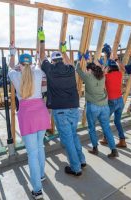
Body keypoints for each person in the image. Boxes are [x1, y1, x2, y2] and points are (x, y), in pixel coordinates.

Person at [38, 28, 86, 178]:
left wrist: (42, 40)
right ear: (62, 59)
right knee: (74, 135)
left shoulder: (49, 69)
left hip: (60, 110)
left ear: (53, 60)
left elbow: (41, 56)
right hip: (73, 108)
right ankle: (82, 160)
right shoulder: (71, 69)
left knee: (67, 139)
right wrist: (64, 50)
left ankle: (76, 167)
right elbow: (69, 62)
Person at [8, 53, 51, 200]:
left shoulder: (14, 75)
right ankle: (41, 175)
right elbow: (38, 66)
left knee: (32, 153)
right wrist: (38, 58)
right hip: (41, 112)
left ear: (20, 65)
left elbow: (10, 66)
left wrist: (12, 53)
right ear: (31, 63)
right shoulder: (38, 72)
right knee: (40, 147)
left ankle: (37, 190)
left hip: (27, 116)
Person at [76, 52, 119, 158]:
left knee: (91, 128)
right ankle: (114, 150)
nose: (86, 71)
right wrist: (89, 59)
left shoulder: (87, 77)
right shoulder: (102, 76)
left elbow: (77, 69)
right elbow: (101, 67)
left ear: (89, 70)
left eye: (87, 70)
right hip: (105, 106)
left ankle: (95, 148)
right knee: (106, 128)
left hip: (93, 106)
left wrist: (80, 59)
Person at [98, 58, 127, 148]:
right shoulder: (119, 74)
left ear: (108, 68)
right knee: (117, 121)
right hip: (120, 100)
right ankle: (122, 140)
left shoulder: (106, 76)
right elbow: (122, 68)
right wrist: (117, 62)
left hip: (112, 101)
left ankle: (106, 139)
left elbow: (99, 77)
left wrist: (103, 68)